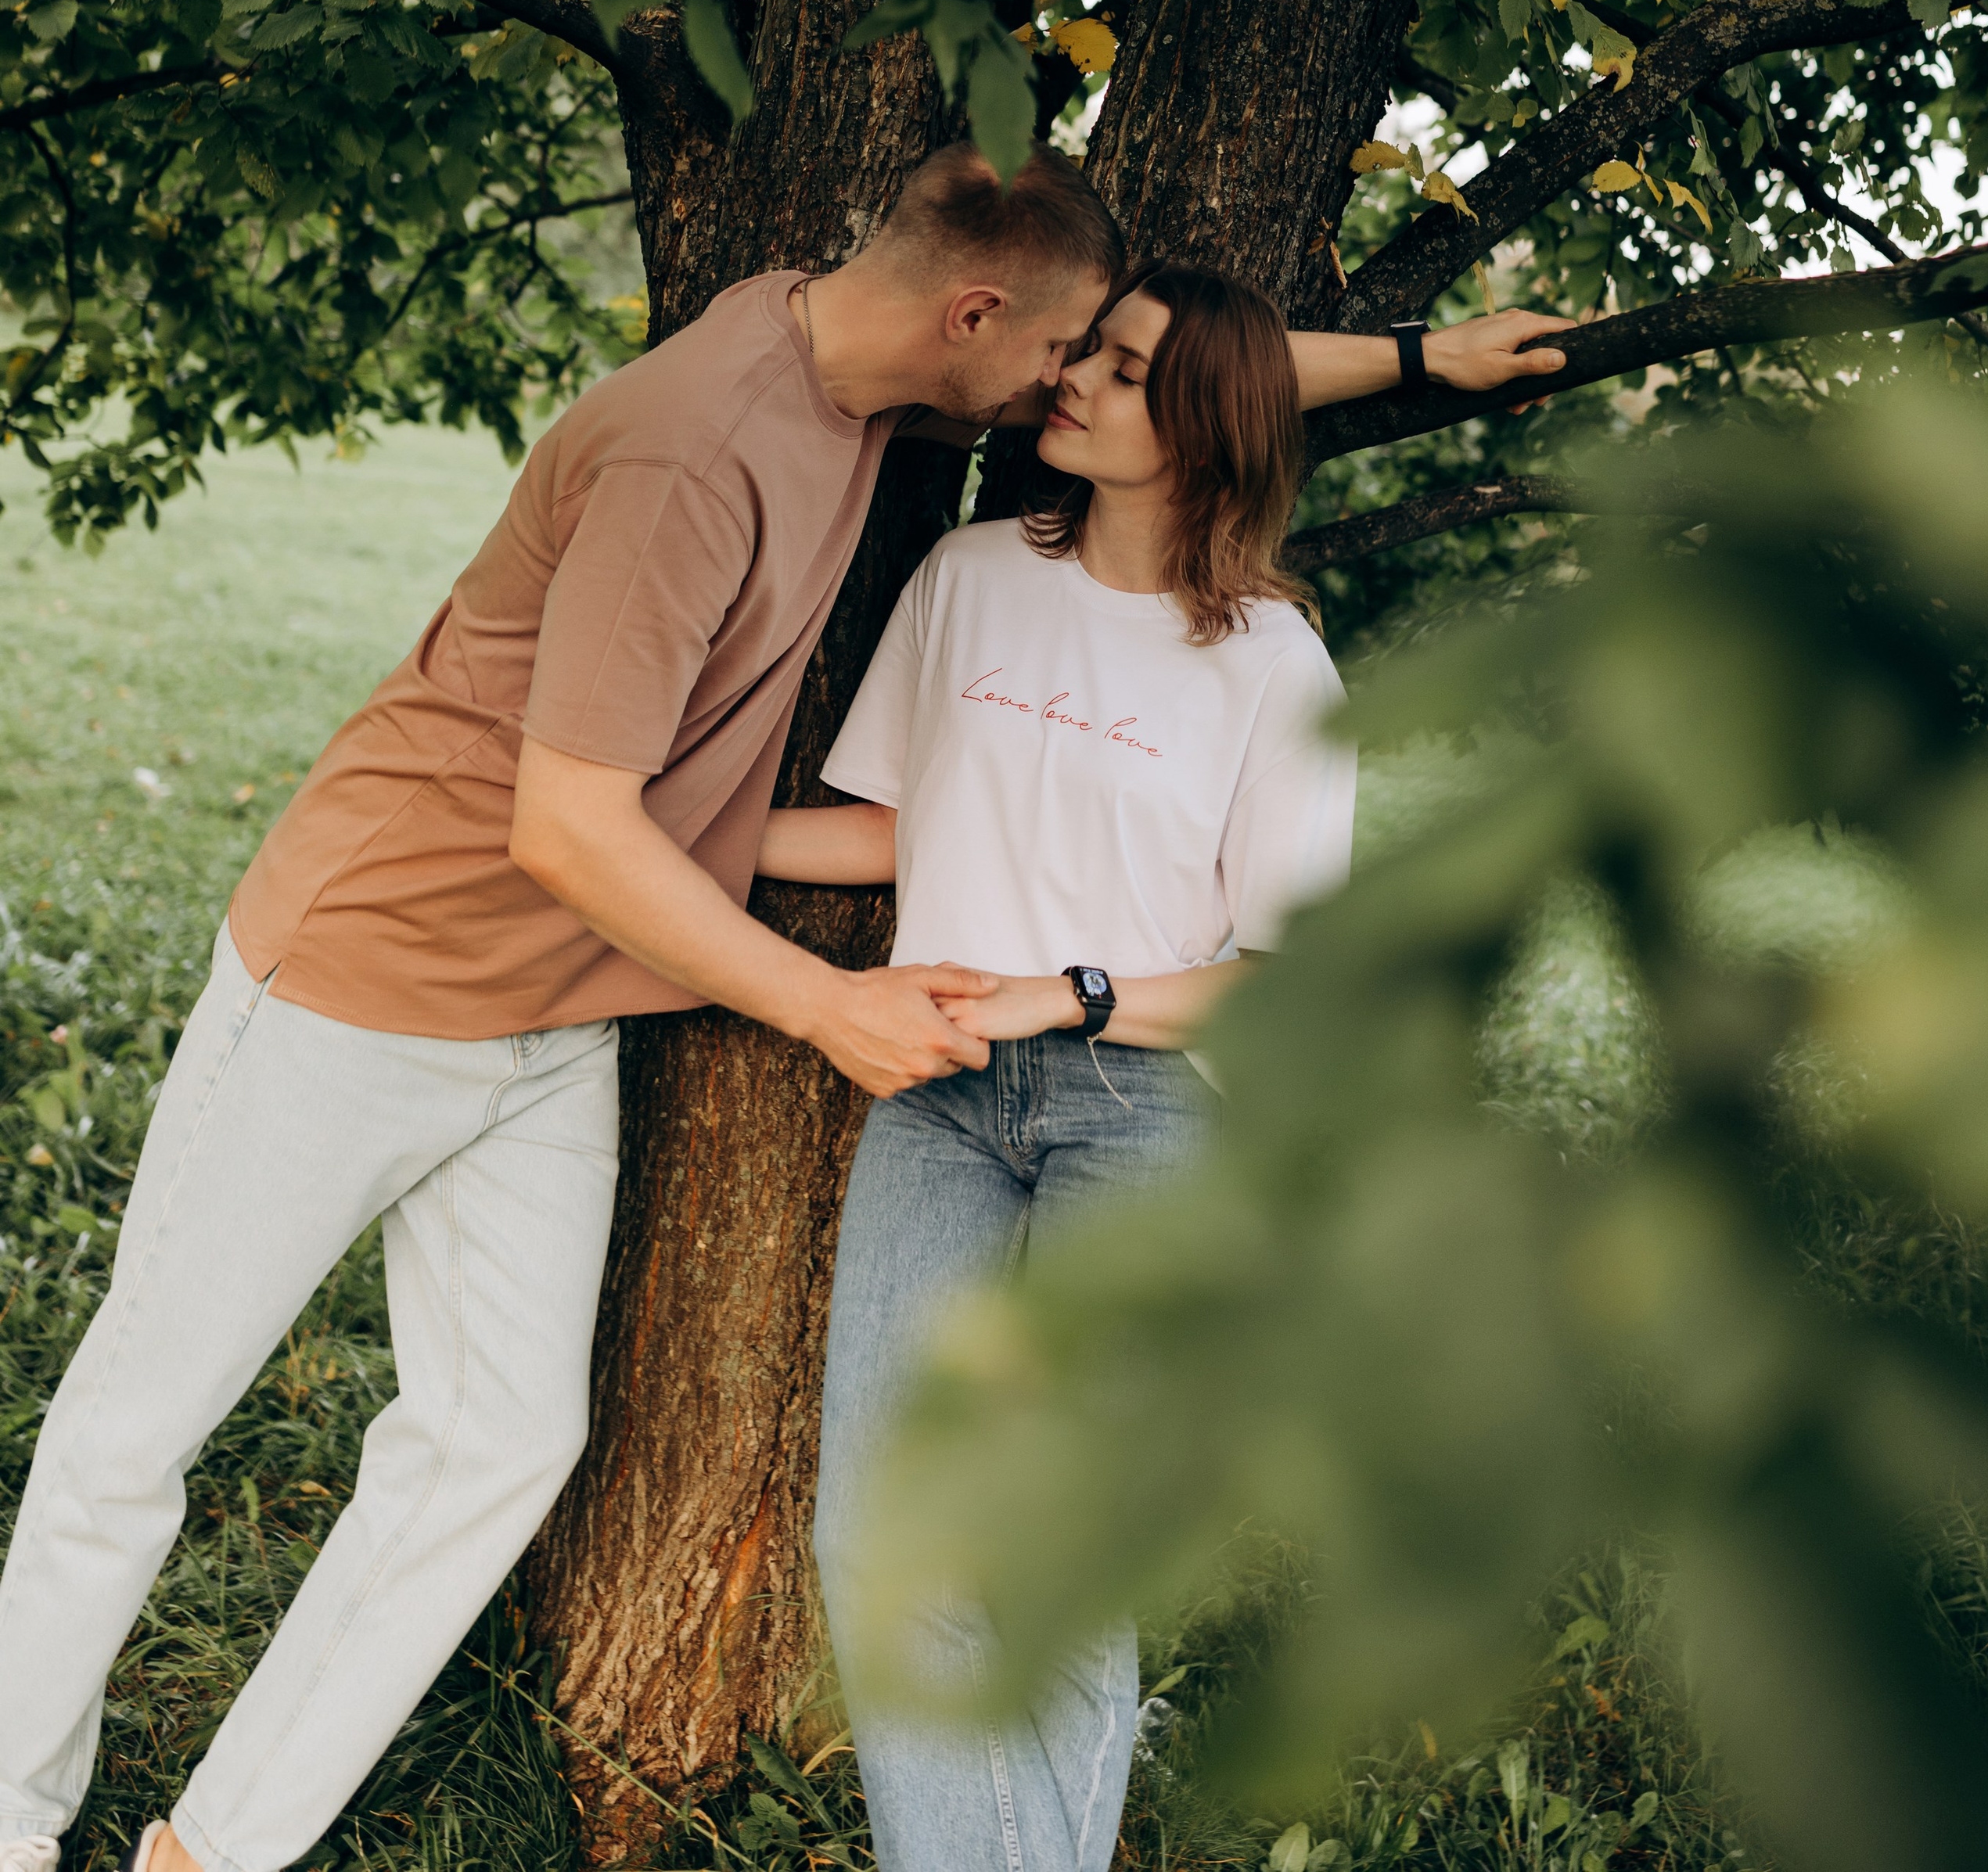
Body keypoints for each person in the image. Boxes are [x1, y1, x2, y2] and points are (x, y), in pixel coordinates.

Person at [0, 143, 1564, 1872]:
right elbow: (566, 826)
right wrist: (833, 1009)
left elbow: (1187, 384)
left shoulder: (864, 378)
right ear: (973, 319)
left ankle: (214, 1850)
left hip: (560, 1014)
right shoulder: (702, 450)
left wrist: (1421, 360)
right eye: (1057, 358)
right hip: (379, 970)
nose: (1066, 390)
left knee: (497, 1443)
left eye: (1092, 370)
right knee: (133, 1427)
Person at [760, 263, 1357, 1872]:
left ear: (1207, 425)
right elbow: (901, 824)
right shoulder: (967, 576)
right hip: (938, 1099)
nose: (1075, 376)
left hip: (1142, 1112)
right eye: (1085, 348)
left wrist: (1069, 993)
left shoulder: (1272, 670)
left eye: (1124, 364)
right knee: (877, 1540)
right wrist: (669, 838)